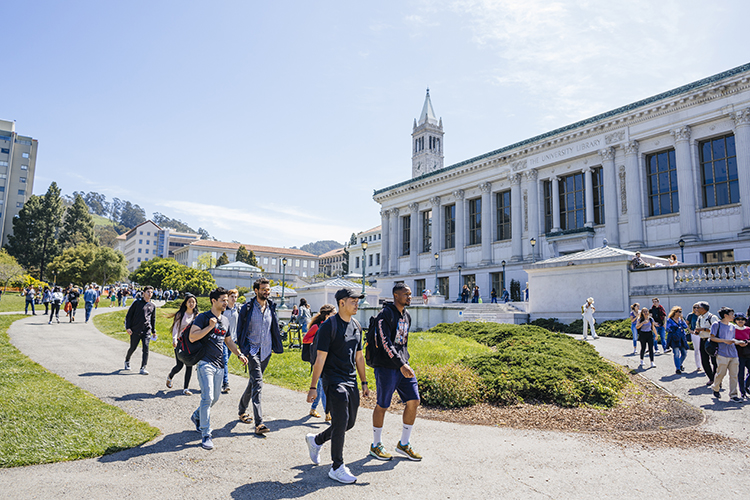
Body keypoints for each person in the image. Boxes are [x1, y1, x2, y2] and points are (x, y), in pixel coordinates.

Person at [305, 288, 369, 484]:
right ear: (342, 302)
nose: (357, 303)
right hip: (333, 380)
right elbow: (320, 358)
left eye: (358, 300)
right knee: (340, 421)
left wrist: (364, 382)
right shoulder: (328, 326)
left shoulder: (357, 326)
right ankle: (337, 466)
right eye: (353, 300)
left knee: (348, 423)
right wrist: (313, 386)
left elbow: (359, 356)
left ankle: (316, 440)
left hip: (351, 380)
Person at [189, 287, 248, 450]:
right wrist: (209, 327)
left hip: (219, 365)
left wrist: (239, 354)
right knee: (207, 398)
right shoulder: (203, 317)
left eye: (226, 299)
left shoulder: (226, 320)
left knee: (214, 398)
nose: (225, 302)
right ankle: (206, 434)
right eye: (222, 300)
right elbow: (192, 336)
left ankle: (196, 416)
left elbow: (228, 341)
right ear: (213, 301)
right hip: (204, 363)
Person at [369, 283, 422, 462]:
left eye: (410, 294)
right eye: (406, 294)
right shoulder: (385, 315)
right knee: (383, 405)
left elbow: (403, 343)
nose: (409, 297)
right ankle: (376, 445)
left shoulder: (407, 316)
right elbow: (385, 343)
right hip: (386, 367)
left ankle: (404, 444)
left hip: (402, 366)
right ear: (395, 295)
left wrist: (404, 362)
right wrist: (401, 364)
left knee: (414, 401)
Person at [236, 278, 284, 435]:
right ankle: (259, 423)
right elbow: (240, 330)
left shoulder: (271, 307)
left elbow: (273, 328)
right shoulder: (247, 308)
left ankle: (242, 409)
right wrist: (245, 350)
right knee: (258, 384)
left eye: (268, 289)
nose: (266, 291)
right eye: (263, 289)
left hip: (266, 351)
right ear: (256, 290)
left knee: (253, 382)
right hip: (252, 351)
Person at [303, 303, 336, 419]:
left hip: (328, 359)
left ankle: (313, 409)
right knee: (323, 386)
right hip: (319, 360)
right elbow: (305, 339)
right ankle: (328, 413)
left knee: (321, 386)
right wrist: (319, 338)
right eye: (333, 313)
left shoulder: (331, 325)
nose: (335, 315)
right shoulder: (317, 326)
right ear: (327, 315)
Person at [710, 307, 745, 401]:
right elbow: (712, 338)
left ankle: (733, 395)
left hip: (733, 353)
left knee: (734, 375)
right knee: (721, 373)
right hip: (722, 353)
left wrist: (739, 342)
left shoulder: (732, 326)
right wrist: (724, 341)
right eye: (732, 314)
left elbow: (732, 339)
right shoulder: (716, 324)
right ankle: (715, 387)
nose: (733, 316)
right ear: (726, 315)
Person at [167, 294, 198, 395]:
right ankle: (170, 376)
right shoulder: (180, 314)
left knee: (189, 365)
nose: (191, 304)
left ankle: (186, 388)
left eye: (193, 302)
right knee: (179, 365)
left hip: (191, 343)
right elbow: (176, 328)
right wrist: (174, 339)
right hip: (180, 341)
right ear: (185, 303)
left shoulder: (197, 315)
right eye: (189, 302)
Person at [124, 286, 156, 375]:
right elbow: (129, 316)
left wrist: (153, 330)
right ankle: (127, 360)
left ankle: (143, 367)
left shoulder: (152, 305)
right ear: (143, 293)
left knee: (146, 348)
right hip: (135, 330)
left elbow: (153, 319)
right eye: (148, 292)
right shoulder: (137, 303)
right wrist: (128, 327)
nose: (150, 294)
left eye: (151, 292)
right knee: (133, 347)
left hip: (146, 330)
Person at [694, 301, 719, 386]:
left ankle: (717, 379)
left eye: (698, 308)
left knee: (714, 361)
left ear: (703, 309)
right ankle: (711, 378)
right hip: (702, 340)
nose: (697, 309)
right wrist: (697, 331)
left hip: (712, 340)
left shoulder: (712, 317)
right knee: (704, 361)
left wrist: (703, 329)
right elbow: (697, 327)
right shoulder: (700, 317)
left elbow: (716, 329)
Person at [221, 289, 240, 394]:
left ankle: (217, 380)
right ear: (228, 297)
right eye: (232, 296)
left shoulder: (237, 309)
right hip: (223, 339)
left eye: (235, 297)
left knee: (224, 362)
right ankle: (225, 383)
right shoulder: (224, 309)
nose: (234, 299)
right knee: (224, 361)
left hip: (233, 340)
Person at [666, 306, 689, 374]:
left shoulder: (680, 319)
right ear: (675, 312)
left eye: (680, 312)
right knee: (676, 353)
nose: (680, 313)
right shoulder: (670, 320)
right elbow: (667, 328)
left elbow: (685, 326)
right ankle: (678, 368)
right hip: (674, 338)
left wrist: (682, 319)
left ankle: (680, 364)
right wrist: (674, 329)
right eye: (679, 311)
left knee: (684, 353)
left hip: (681, 338)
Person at [733, 313, 750, 398]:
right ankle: (742, 392)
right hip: (738, 354)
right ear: (735, 320)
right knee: (740, 374)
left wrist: (746, 342)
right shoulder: (732, 329)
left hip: (748, 353)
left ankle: (746, 385)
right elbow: (730, 339)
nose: (740, 321)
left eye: (742, 319)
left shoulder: (748, 329)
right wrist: (738, 342)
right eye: (738, 319)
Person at [686, 304, 702, 372]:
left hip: (703, 334)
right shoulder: (691, 315)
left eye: (697, 307)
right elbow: (686, 324)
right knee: (697, 350)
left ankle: (705, 364)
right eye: (694, 307)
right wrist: (690, 331)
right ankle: (698, 366)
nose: (696, 309)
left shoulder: (702, 315)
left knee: (704, 349)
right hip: (695, 334)